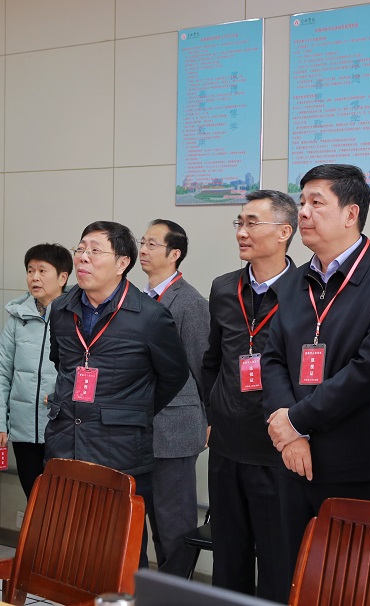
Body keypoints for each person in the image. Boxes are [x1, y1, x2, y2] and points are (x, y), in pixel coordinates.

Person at [261, 164, 370, 578]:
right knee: (295, 580)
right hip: (294, 461)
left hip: (359, 466)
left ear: (351, 213)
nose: (303, 212)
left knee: (360, 583)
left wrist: (297, 421)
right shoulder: (294, 282)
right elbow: (273, 358)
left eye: (317, 203)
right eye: (301, 202)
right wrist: (290, 434)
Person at [45, 220, 189, 567]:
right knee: (68, 545)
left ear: (122, 262)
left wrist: (132, 410)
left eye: (95, 251)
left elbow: (174, 375)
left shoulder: (150, 316)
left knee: (121, 550)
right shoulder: (61, 309)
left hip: (121, 448)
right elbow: (61, 362)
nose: (83, 258)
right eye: (81, 249)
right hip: (66, 441)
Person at [201, 190, 298, 602]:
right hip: (226, 447)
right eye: (239, 223)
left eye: (252, 223)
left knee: (279, 561)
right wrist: (212, 414)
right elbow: (211, 361)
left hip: (276, 449)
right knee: (228, 559)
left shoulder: (306, 291)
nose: (241, 232)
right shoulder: (224, 288)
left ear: (284, 232)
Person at [138, 219, 209, 576]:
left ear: (174, 254)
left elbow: (204, 367)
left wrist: (210, 419)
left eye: (152, 244)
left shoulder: (190, 302)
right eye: (142, 242)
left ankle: (175, 591)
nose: (143, 249)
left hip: (176, 429)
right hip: (138, 428)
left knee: (173, 522)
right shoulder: (136, 299)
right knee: (139, 518)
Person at [0, 244, 72, 499]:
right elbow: (1, 372)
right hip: (23, 430)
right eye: (30, 270)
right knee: (34, 498)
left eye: (42, 271)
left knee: (61, 501)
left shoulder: (75, 316)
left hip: (62, 429)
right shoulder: (18, 316)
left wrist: (62, 397)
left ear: (63, 277)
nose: (34, 277)